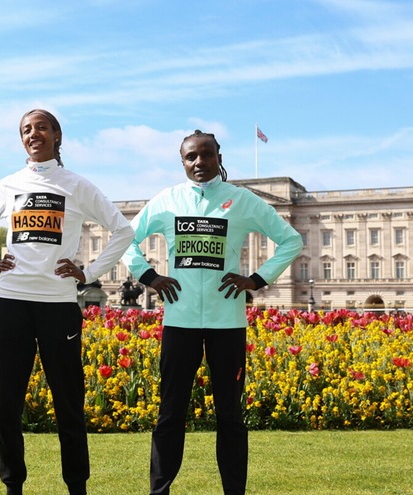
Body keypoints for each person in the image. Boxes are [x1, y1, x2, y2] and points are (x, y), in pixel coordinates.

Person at [122, 130, 302, 495]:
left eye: (207, 154)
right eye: (191, 157)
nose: (199, 162)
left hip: (227, 323)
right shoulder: (168, 199)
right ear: (182, 162)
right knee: (170, 414)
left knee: (230, 417)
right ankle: (159, 491)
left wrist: (256, 279)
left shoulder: (242, 200)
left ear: (219, 157)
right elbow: (125, 239)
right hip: (180, 321)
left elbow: (291, 240)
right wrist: (150, 276)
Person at [0, 109, 135, 495]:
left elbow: (123, 230)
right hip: (11, 301)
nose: (33, 134)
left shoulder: (76, 185)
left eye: (41, 127)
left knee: (69, 403)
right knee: (8, 403)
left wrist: (88, 273)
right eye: (26, 130)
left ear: (57, 135)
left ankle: (77, 486)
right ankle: (13, 486)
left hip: (58, 306)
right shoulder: (9, 184)